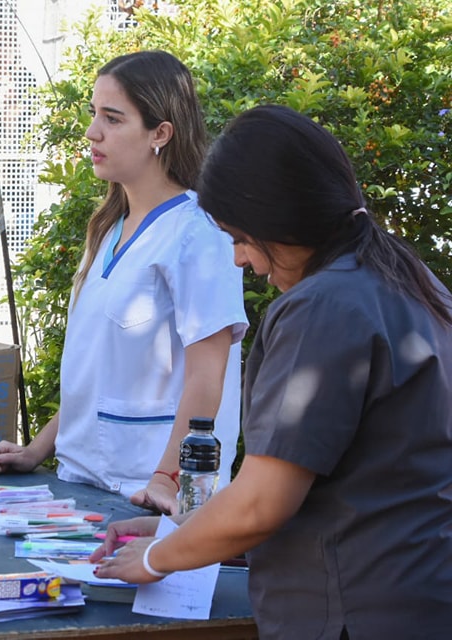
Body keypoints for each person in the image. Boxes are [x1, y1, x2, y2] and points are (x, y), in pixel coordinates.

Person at [91, 104, 452, 639]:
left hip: (354, 604)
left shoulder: (323, 307)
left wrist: (157, 557)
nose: (240, 260)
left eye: (238, 237)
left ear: (279, 217)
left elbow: (263, 502)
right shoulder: (408, 277)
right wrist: (184, 527)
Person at [0, 50, 247, 515]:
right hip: (81, 485)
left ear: (160, 134)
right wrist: (36, 450)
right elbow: (98, 376)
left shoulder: (198, 236)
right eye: (93, 114)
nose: (92, 132)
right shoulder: (108, 228)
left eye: (113, 118)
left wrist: (168, 480)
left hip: (151, 498)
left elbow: (209, 378)